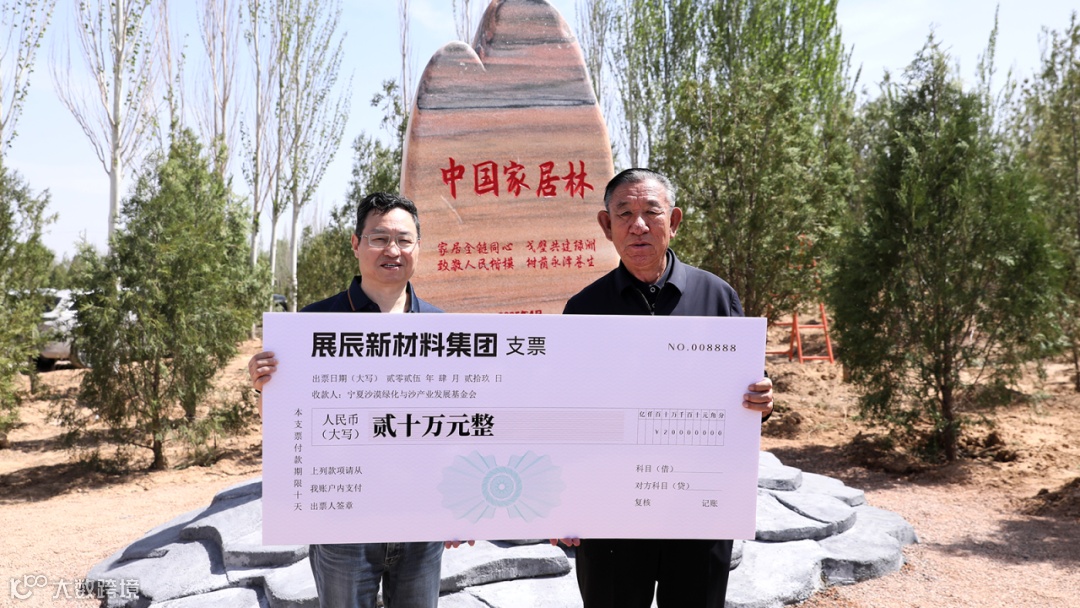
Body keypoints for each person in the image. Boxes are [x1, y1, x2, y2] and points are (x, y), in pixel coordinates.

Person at [560, 168, 774, 608]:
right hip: (612, 514)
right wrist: (566, 501)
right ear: (606, 226)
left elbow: (747, 393)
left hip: (698, 508)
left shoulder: (717, 296)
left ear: (673, 221)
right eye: (624, 214)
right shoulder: (583, 309)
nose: (638, 225)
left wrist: (762, 401)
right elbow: (567, 413)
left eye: (651, 212)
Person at [248, 192, 455, 608]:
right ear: (356, 244)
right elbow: (282, 423)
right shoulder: (312, 324)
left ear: (418, 247)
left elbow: (457, 424)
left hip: (420, 521)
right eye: (379, 239)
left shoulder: (442, 328)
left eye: (404, 240)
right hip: (342, 524)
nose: (393, 250)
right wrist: (263, 386)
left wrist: (459, 507)